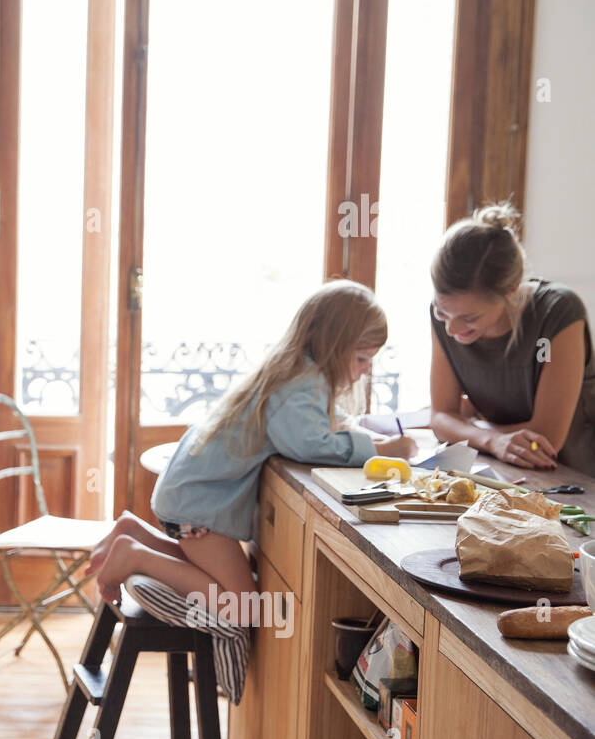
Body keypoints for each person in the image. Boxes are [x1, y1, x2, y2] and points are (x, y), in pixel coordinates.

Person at [90, 280, 416, 631]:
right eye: (362, 358)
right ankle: (134, 554)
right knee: (244, 609)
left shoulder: (292, 370)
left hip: (192, 495)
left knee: (220, 584)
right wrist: (378, 450)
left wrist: (366, 439)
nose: (366, 369)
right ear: (334, 346)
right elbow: (308, 444)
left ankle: (135, 535)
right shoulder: (303, 382)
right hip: (200, 507)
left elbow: (319, 427)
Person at [428, 202, 595, 475]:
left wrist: (468, 429)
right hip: (505, 470)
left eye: (469, 319)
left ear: (511, 289)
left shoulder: (558, 312)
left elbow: (545, 437)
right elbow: (441, 418)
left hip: (577, 476)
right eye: (442, 311)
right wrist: (492, 440)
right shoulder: (447, 317)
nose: (451, 330)